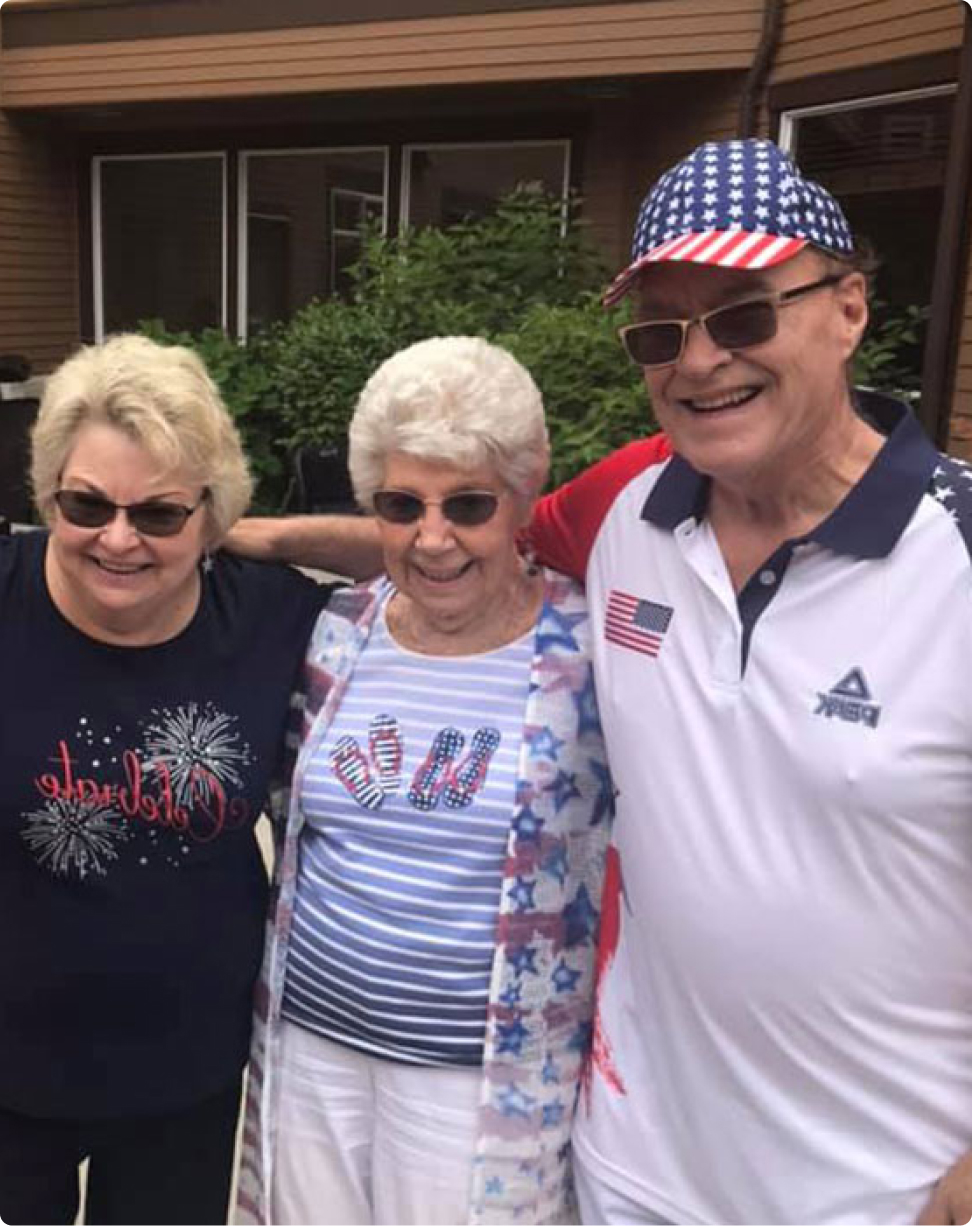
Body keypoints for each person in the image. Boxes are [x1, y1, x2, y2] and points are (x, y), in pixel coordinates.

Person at [226, 138, 972, 1225]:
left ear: (849, 306)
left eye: (745, 313)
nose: (701, 359)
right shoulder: (635, 505)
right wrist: (207, 533)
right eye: (662, 331)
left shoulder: (958, 555)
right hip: (636, 1162)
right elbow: (447, 541)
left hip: (882, 1181)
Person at [234, 336, 612, 1226]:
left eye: (469, 504)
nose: (432, 537)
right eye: (401, 506)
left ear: (523, 499)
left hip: (480, 1078)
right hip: (309, 1049)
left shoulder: (590, 650)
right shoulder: (335, 632)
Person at [0, 333, 332, 1225]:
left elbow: (434, 543)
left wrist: (266, 534)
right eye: (86, 504)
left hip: (182, 1074)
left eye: (159, 515)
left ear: (211, 517)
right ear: (48, 497)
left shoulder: (269, 616)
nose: (117, 539)